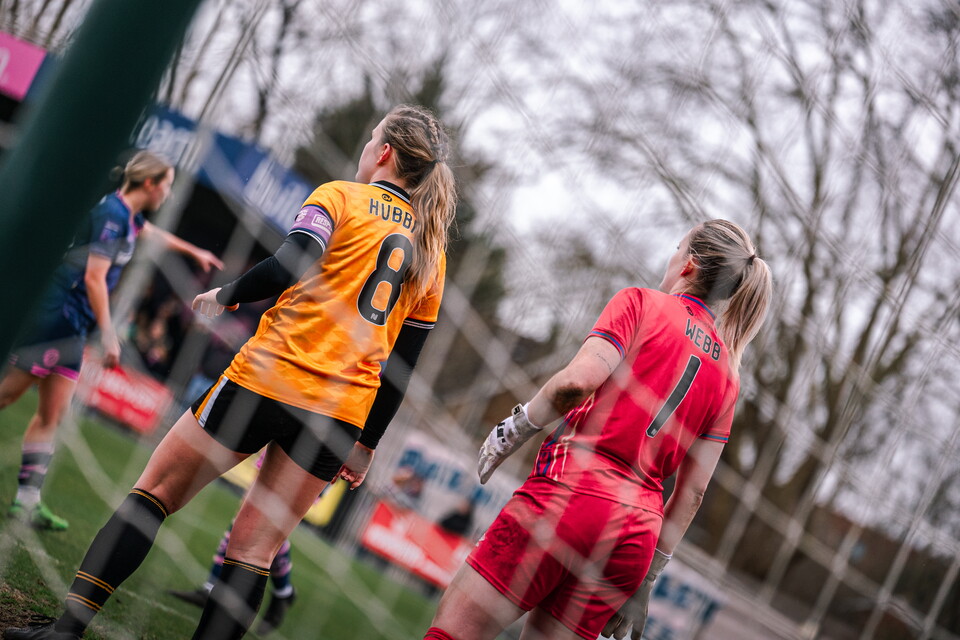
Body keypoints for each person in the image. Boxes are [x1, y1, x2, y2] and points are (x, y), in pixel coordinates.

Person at [3, 104, 457, 640]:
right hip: (341, 414)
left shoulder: (339, 196)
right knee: (254, 552)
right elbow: (404, 363)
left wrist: (226, 294)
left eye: (370, 138)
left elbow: (292, 261)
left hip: (269, 378)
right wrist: (368, 442)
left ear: (383, 153)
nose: (364, 148)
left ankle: (66, 630)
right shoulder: (431, 252)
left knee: (154, 494)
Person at [423, 219, 773, 640]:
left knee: (453, 631)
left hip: (570, 495)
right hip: (634, 538)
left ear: (689, 266)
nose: (672, 257)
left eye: (677, 248)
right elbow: (693, 494)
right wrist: (647, 577)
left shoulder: (641, 303)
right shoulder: (729, 378)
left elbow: (576, 382)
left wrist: (514, 428)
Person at [0, 150, 222, 531]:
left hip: (75, 324)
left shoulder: (130, 218)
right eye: (167, 185)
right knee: (8, 395)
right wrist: (109, 334)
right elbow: (93, 278)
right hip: (58, 318)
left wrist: (193, 251)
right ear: (149, 183)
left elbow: (152, 234)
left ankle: (27, 502)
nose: (168, 193)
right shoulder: (111, 215)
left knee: (53, 414)